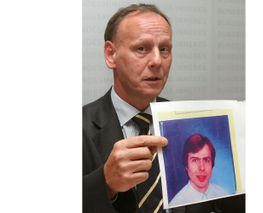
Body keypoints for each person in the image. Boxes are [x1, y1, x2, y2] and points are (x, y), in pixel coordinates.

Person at [83, 3, 245, 213]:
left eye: (164, 49)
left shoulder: (194, 122)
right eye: (142, 48)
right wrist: (105, 184)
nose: (157, 61)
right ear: (111, 54)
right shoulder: (81, 126)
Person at [169, 134, 228, 207]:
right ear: (186, 165)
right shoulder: (176, 204)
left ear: (212, 164)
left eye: (206, 160)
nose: (202, 168)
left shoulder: (223, 194)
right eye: (195, 160)